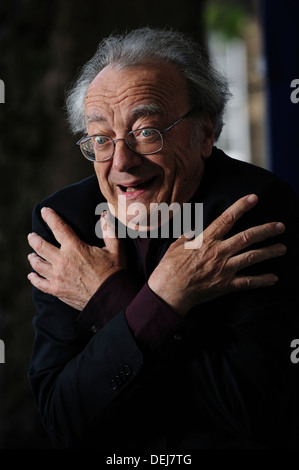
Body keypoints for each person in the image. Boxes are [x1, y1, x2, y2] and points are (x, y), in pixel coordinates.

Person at [27, 27, 299, 449]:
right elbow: (63, 419)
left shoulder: (252, 208)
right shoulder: (65, 224)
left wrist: (111, 300)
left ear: (204, 134)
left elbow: (254, 410)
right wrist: (161, 301)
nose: (122, 163)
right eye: (101, 140)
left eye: (146, 132)